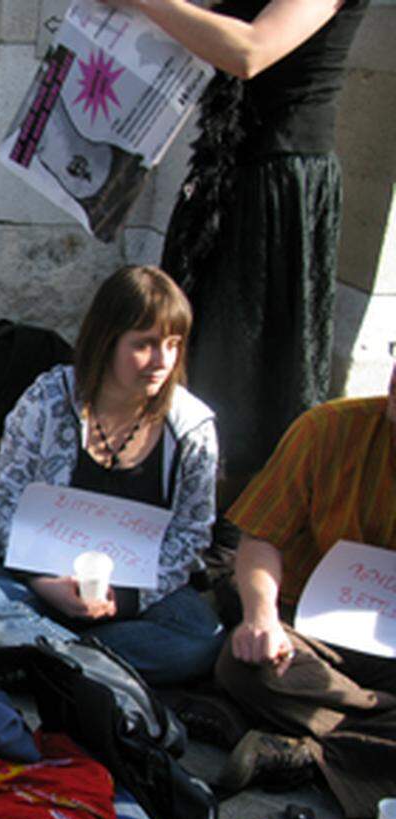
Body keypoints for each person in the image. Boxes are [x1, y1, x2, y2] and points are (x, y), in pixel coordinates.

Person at [99, 0, 369, 499]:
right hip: (222, 173)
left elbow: (250, 50)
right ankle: (178, 495)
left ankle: (242, 523)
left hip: (277, 184)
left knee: (248, 366)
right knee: (190, 345)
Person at [0, 266, 223, 687]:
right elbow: (7, 498)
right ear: (106, 340)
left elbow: (191, 532)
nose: (161, 361)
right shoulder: (46, 401)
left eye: (172, 345)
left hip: (137, 596)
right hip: (44, 580)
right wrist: (45, 583)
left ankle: (50, 663)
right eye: (145, 345)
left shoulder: (191, 428)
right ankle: (101, 672)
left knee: (200, 639)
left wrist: (130, 599)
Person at [213, 361, 396, 818]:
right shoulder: (328, 429)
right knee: (244, 664)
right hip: (309, 631)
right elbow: (259, 538)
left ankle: (308, 753)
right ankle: (375, 728)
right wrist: (261, 618)